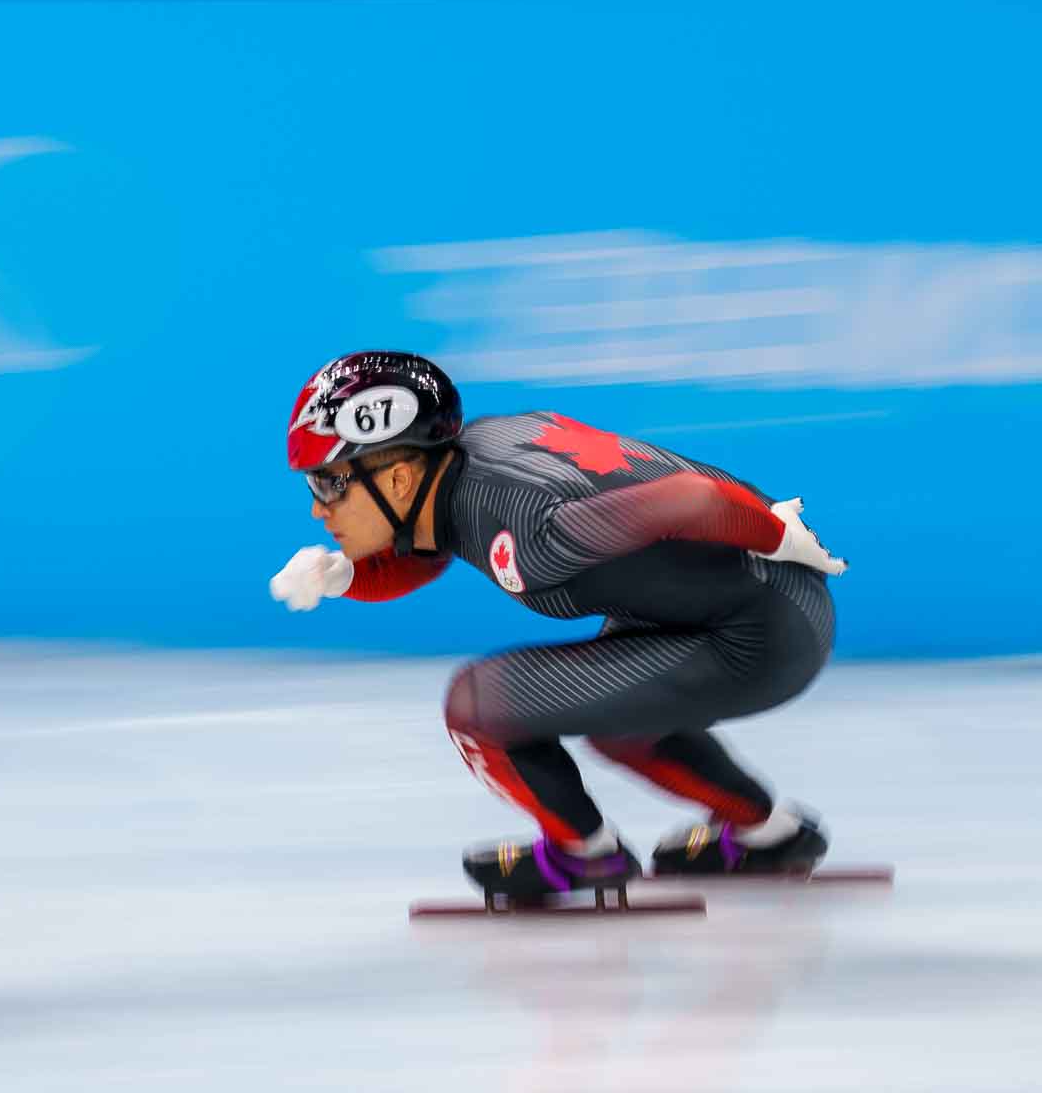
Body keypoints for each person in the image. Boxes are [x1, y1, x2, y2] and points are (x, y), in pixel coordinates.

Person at [268, 352, 847, 903]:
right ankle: (770, 836)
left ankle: (584, 855)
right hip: (747, 609)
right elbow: (423, 551)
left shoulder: (531, 529)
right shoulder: (467, 461)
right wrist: (343, 576)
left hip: (763, 632)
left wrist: (786, 538)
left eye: (328, 482)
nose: (320, 509)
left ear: (397, 481)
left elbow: (693, 500)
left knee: (479, 705)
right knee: (623, 728)